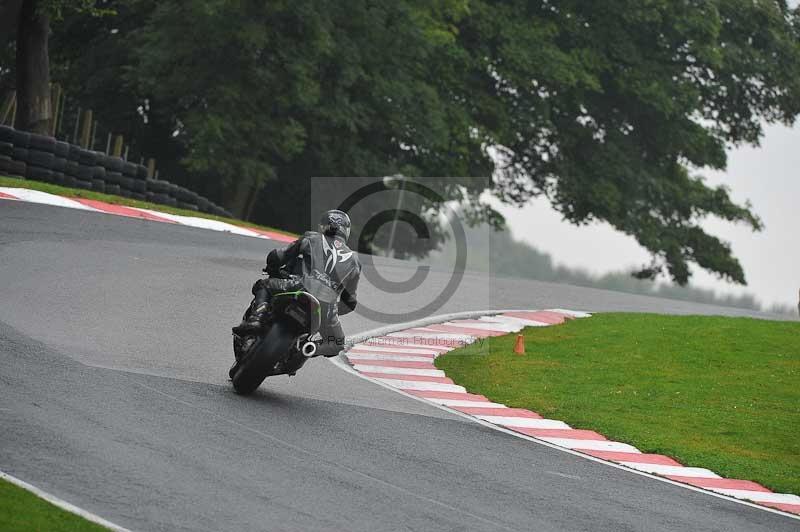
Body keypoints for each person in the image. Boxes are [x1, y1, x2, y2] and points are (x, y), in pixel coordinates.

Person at [231, 210, 361, 376]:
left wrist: (273, 267)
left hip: (298, 287)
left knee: (264, 285)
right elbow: (350, 301)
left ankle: (257, 317)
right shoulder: (354, 260)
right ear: (346, 231)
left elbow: (279, 256)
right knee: (336, 343)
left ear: (324, 226)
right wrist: (334, 309)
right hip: (327, 306)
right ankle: (308, 348)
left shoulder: (311, 238)